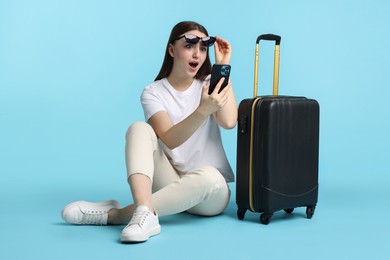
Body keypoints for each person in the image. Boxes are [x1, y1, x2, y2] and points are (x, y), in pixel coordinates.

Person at [61, 21, 237, 243]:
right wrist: (202, 111)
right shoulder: (153, 92)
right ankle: (145, 212)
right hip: (169, 180)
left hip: (210, 196)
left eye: (203, 48)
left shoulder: (211, 83)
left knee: (211, 177)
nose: (197, 54)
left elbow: (229, 121)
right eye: (189, 45)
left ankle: (119, 215)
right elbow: (171, 139)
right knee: (139, 129)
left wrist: (222, 69)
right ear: (172, 50)